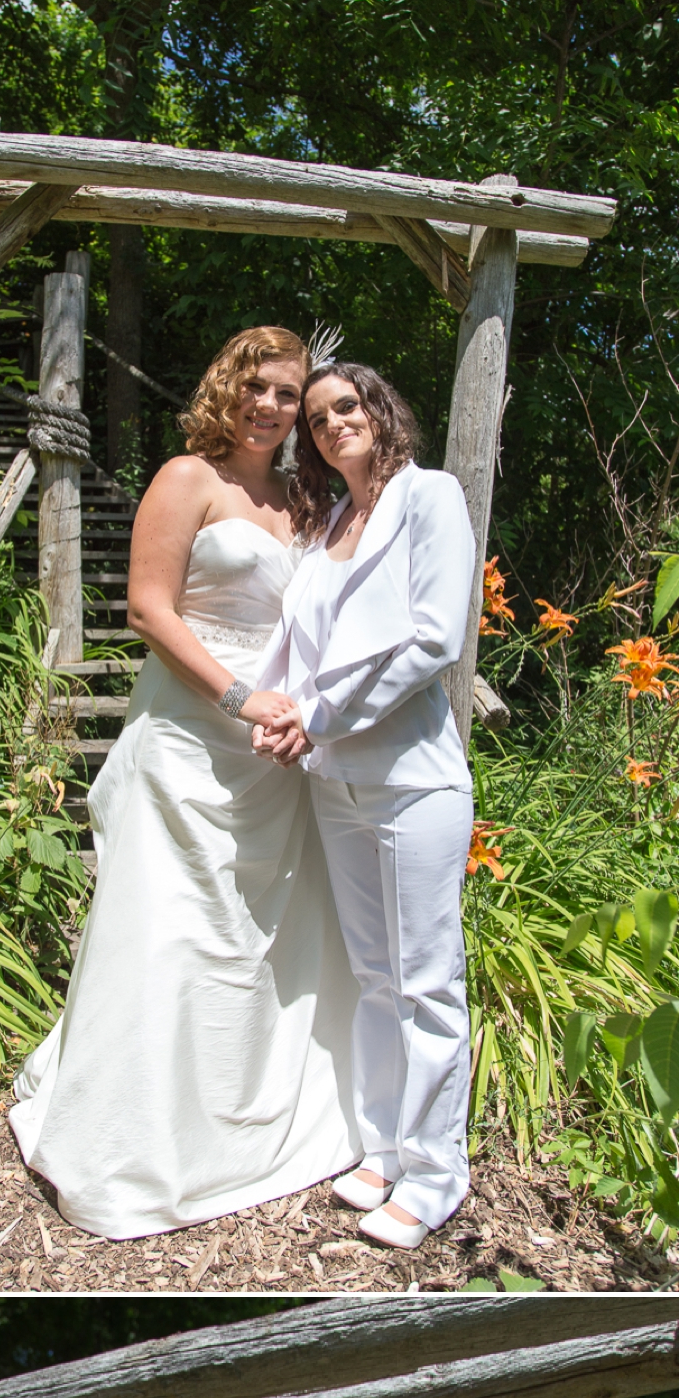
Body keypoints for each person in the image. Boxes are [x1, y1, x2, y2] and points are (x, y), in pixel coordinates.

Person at [10, 326, 360, 1236]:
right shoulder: (186, 477)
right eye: (258, 385)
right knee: (169, 931)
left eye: (288, 393)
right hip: (188, 737)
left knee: (260, 942)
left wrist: (301, 712)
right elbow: (148, 609)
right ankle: (135, 1142)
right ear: (225, 385)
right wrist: (242, 697)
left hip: (276, 749)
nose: (272, 405)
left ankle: (249, 1123)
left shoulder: (302, 499)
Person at [250, 362, 477, 1253]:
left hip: (413, 781)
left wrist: (321, 717)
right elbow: (298, 645)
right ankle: (385, 1146)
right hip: (334, 783)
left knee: (427, 981)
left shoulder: (432, 498)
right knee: (378, 980)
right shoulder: (331, 522)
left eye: (346, 405)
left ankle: (437, 1174)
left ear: (380, 409)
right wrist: (266, 711)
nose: (332, 422)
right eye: (316, 417)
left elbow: (432, 636)